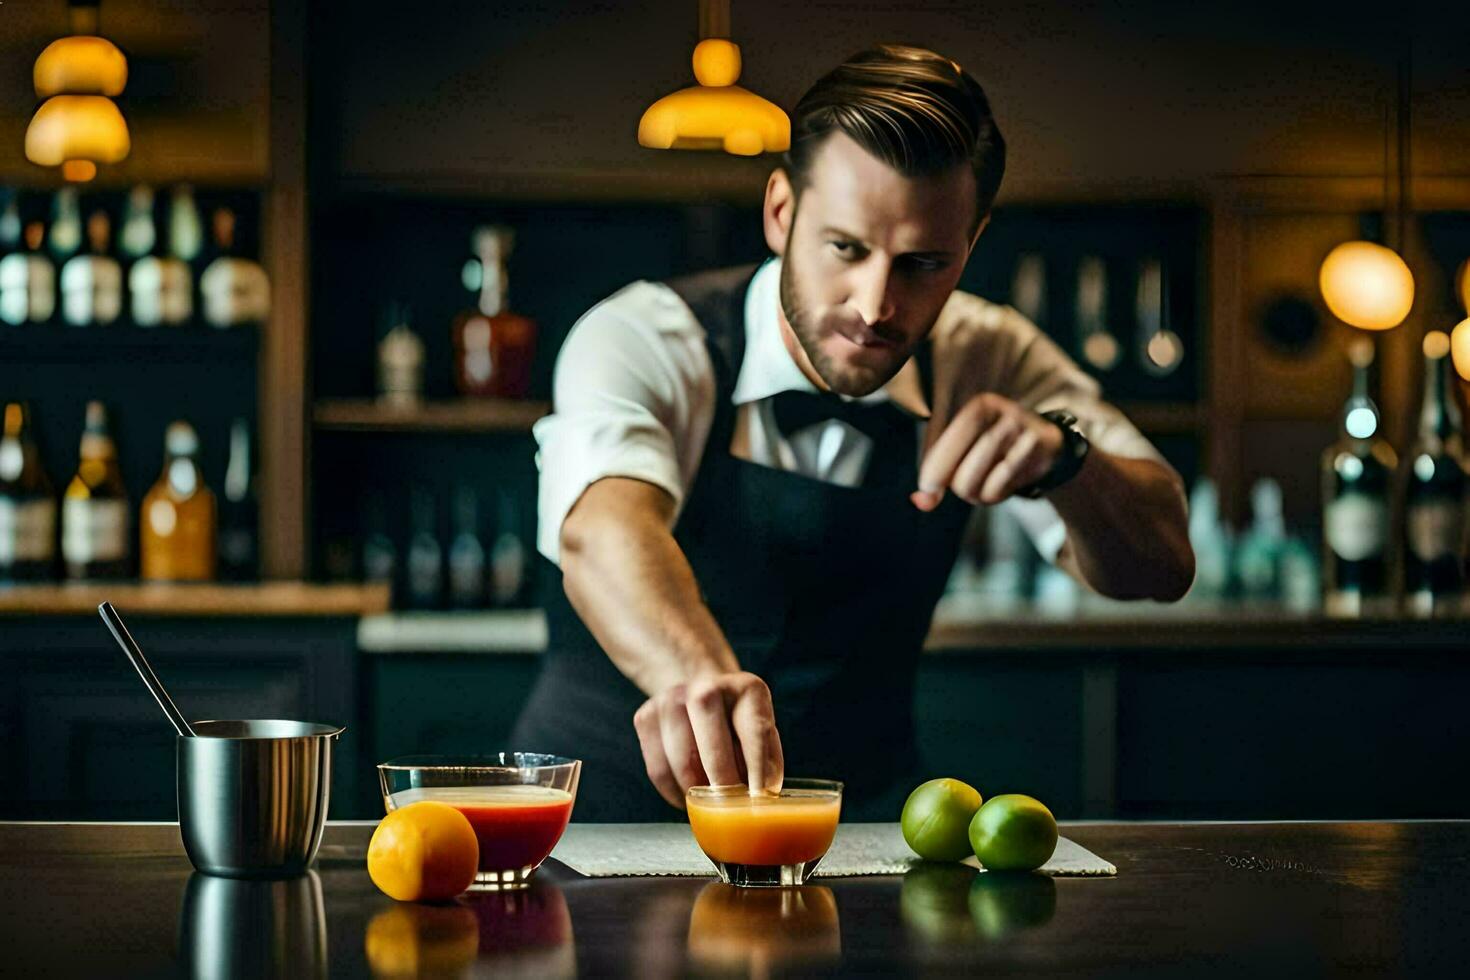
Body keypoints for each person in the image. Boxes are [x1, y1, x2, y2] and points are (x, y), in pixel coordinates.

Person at [511, 44, 1194, 821]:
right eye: (846, 248)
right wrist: (698, 677)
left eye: (924, 263)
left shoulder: (989, 354)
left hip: (863, 835)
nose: (875, 305)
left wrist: (1070, 462)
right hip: (605, 821)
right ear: (780, 212)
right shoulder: (643, 334)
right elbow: (604, 530)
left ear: (972, 244)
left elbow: (1163, 565)